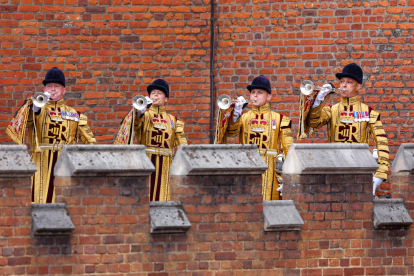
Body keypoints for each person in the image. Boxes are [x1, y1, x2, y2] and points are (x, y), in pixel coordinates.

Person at [6, 67, 96, 203]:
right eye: (49, 86)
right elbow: (22, 124)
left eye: (56, 86)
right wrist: (34, 108)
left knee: (65, 204)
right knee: (37, 203)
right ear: (44, 90)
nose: (52, 89)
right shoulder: (34, 109)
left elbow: (91, 144)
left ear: (64, 90)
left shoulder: (76, 116)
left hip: (65, 166)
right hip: (39, 164)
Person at [308, 63, 389, 195]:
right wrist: (318, 100)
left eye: (349, 82)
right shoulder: (332, 110)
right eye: (341, 82)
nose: (343, 85)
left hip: (360, 171)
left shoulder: (369, 113)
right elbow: (313, 122)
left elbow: (382, 143)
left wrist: (380, 173)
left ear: (358, 86)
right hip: (334, 170)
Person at [114, 79, 187, 201]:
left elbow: (183, 146)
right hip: (146, 163)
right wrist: (139, 111)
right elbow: (134, 123)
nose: (155, 95)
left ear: (166, 98)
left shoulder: (174, 120)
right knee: (144, 200)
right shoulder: (144, 115)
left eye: (159, 93)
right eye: (153, 93)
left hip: (166, 167)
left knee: (165, 200)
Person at [224, 75, 293, 200]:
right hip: (247, 168)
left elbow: (289, 151)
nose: (255, 95)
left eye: (260, 92)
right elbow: (230, 133)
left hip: (272, 173)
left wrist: (287, 179)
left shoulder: (280, 119)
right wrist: (236, 113)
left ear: (269, 97)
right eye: (253, 92)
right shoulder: (242, 117)